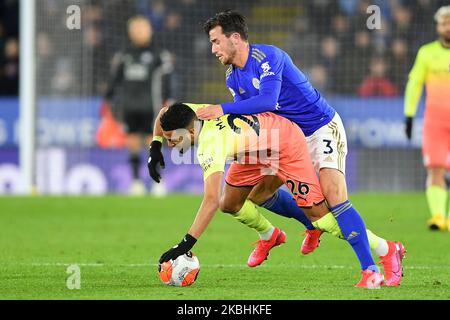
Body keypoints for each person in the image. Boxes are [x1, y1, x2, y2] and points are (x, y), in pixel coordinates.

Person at [183, 10, 405, 285]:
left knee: (334, 198)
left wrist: (220, 109)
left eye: (216, 41)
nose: (213, 49)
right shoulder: (232, 77)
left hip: (318, 128)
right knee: (247, 196)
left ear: (235, 38)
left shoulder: (269, 58)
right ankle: (296, 228)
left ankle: (377, 261)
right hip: (280, 139)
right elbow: (250, 118)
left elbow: (267, 100)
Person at [156, 102, 388, 288]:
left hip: (285, 143)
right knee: (230, 203)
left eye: (171, 138)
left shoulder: (210, 146)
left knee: (323, 219)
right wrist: (154, 146)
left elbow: (210, 201)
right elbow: (162, 113)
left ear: (189, 131)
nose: (169, 143)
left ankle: (385, 248)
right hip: (255, 147)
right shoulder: (193, 112)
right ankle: (271, 235)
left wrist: (185, 243)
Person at [103, 15, 174, 195]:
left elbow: (168, 80)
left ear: (149, 30)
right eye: (135, 29)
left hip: (152, 106)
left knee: (154, 142)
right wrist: (108, 98)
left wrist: (170, 100)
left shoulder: (159, 54)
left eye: (142, 28)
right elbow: (115, 80)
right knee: (132, 141)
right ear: (130, 32)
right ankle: (136, 182)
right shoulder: (124, 55)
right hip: (130, 106)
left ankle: (157, 181)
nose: (139, 32)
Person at [404, 5, 450, 231]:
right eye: (444, 23)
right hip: (435, 121)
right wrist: (409, 115)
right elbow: (415, 84)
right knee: (435, 168)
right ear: (438, 26)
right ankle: (439, 217)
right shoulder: (427, 52)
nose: (448, 27)